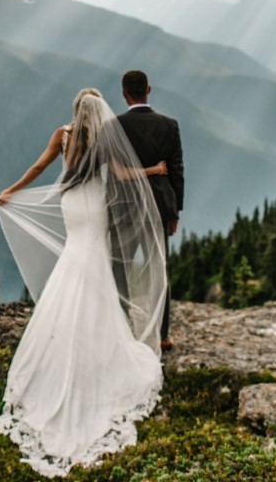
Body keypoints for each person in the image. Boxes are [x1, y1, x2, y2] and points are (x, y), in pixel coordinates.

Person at [0, 87, 168, 477]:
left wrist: (12, 190)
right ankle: (98, 341)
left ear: (75, 109)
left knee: (74, 259)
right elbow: (122, 174)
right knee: (95, 265)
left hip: (72, 204)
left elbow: (39, 167)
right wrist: (154, 171)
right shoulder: (105, 138)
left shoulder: (63, 134)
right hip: (95, 204)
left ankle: (64, 338)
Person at [116, 70, 183, 351]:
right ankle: (163, 334)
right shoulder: (169, 125)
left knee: (120, 268)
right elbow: (177, 170)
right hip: (158, 208)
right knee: (159, 268)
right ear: (149, 89)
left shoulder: (114, 125)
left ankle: (121, 328)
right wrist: (174, 211)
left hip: (124, 208)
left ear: (124, 93)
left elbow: (113, 173)